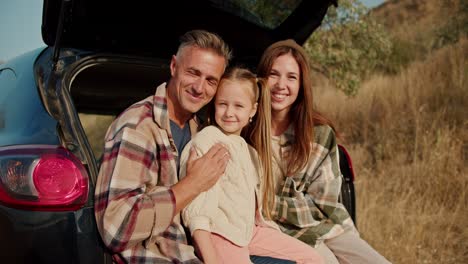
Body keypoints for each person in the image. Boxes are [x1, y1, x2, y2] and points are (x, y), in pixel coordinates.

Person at [94, 29, 233, 263]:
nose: (200, 88)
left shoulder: (200, 130)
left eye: (211, 80)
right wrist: (194, 183)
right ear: (173, 66)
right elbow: (116, 229)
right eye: (193, 73)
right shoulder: (138, 127)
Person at [256, 39, 391, 264]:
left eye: (291, 77)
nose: (281, 85)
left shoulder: (318, 133)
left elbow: (323, 204)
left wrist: (270, 204)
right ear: (261, 78)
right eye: (273, 74)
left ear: (301, 85)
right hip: (284, 232)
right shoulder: (247, 132)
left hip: (329, 225)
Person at [179, 67, 324, 264]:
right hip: (220, 235)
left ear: (253, 110)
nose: (229, 112)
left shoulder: (250, 153)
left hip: (250, 232)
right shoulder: (208, 141)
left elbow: (253, 210)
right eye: (223, 104)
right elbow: (198, 211)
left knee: (314, 259)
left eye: (238, 106)